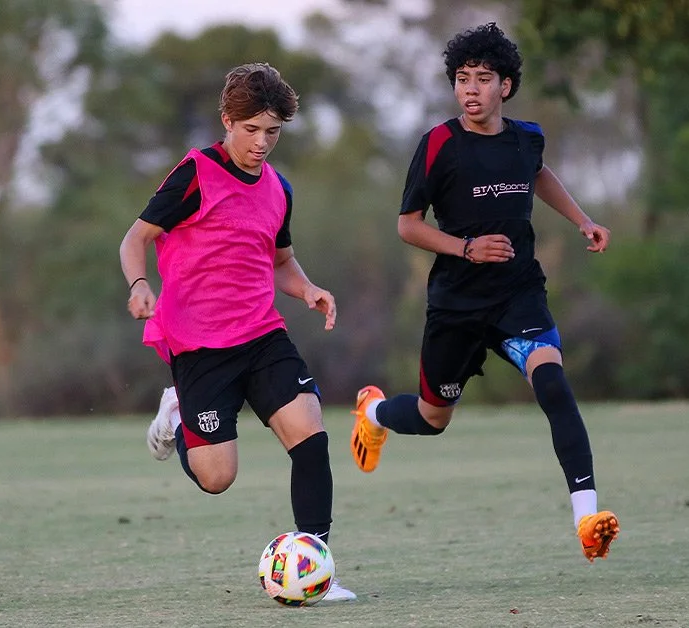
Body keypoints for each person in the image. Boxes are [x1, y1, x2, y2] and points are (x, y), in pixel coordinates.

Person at [350, 23, 620, 562]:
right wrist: (467, 248)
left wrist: (581, 220)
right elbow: (408, 225)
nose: (470, 89)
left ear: (507, 86)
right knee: (432, 418)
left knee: (553, 384)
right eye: (462, 79)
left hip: (518, 293)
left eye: (483, 78)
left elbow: (538, 174)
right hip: (456, 303)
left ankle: (587, 515)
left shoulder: (526, 138)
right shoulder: (439, 144)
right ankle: (374, 414)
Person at [120, 62, 355, 602]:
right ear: (227, 120)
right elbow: (135, 239)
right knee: (216, 477)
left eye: (272, 132)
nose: (261, 143)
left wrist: (309, 289)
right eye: (251, 129)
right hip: (200, 346)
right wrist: (139, 285)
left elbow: (281, 262)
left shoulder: (278, 189)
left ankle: (317, 566)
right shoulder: (196, 172)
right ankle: (179, 412)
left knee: (311, 435)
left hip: (262, 334)